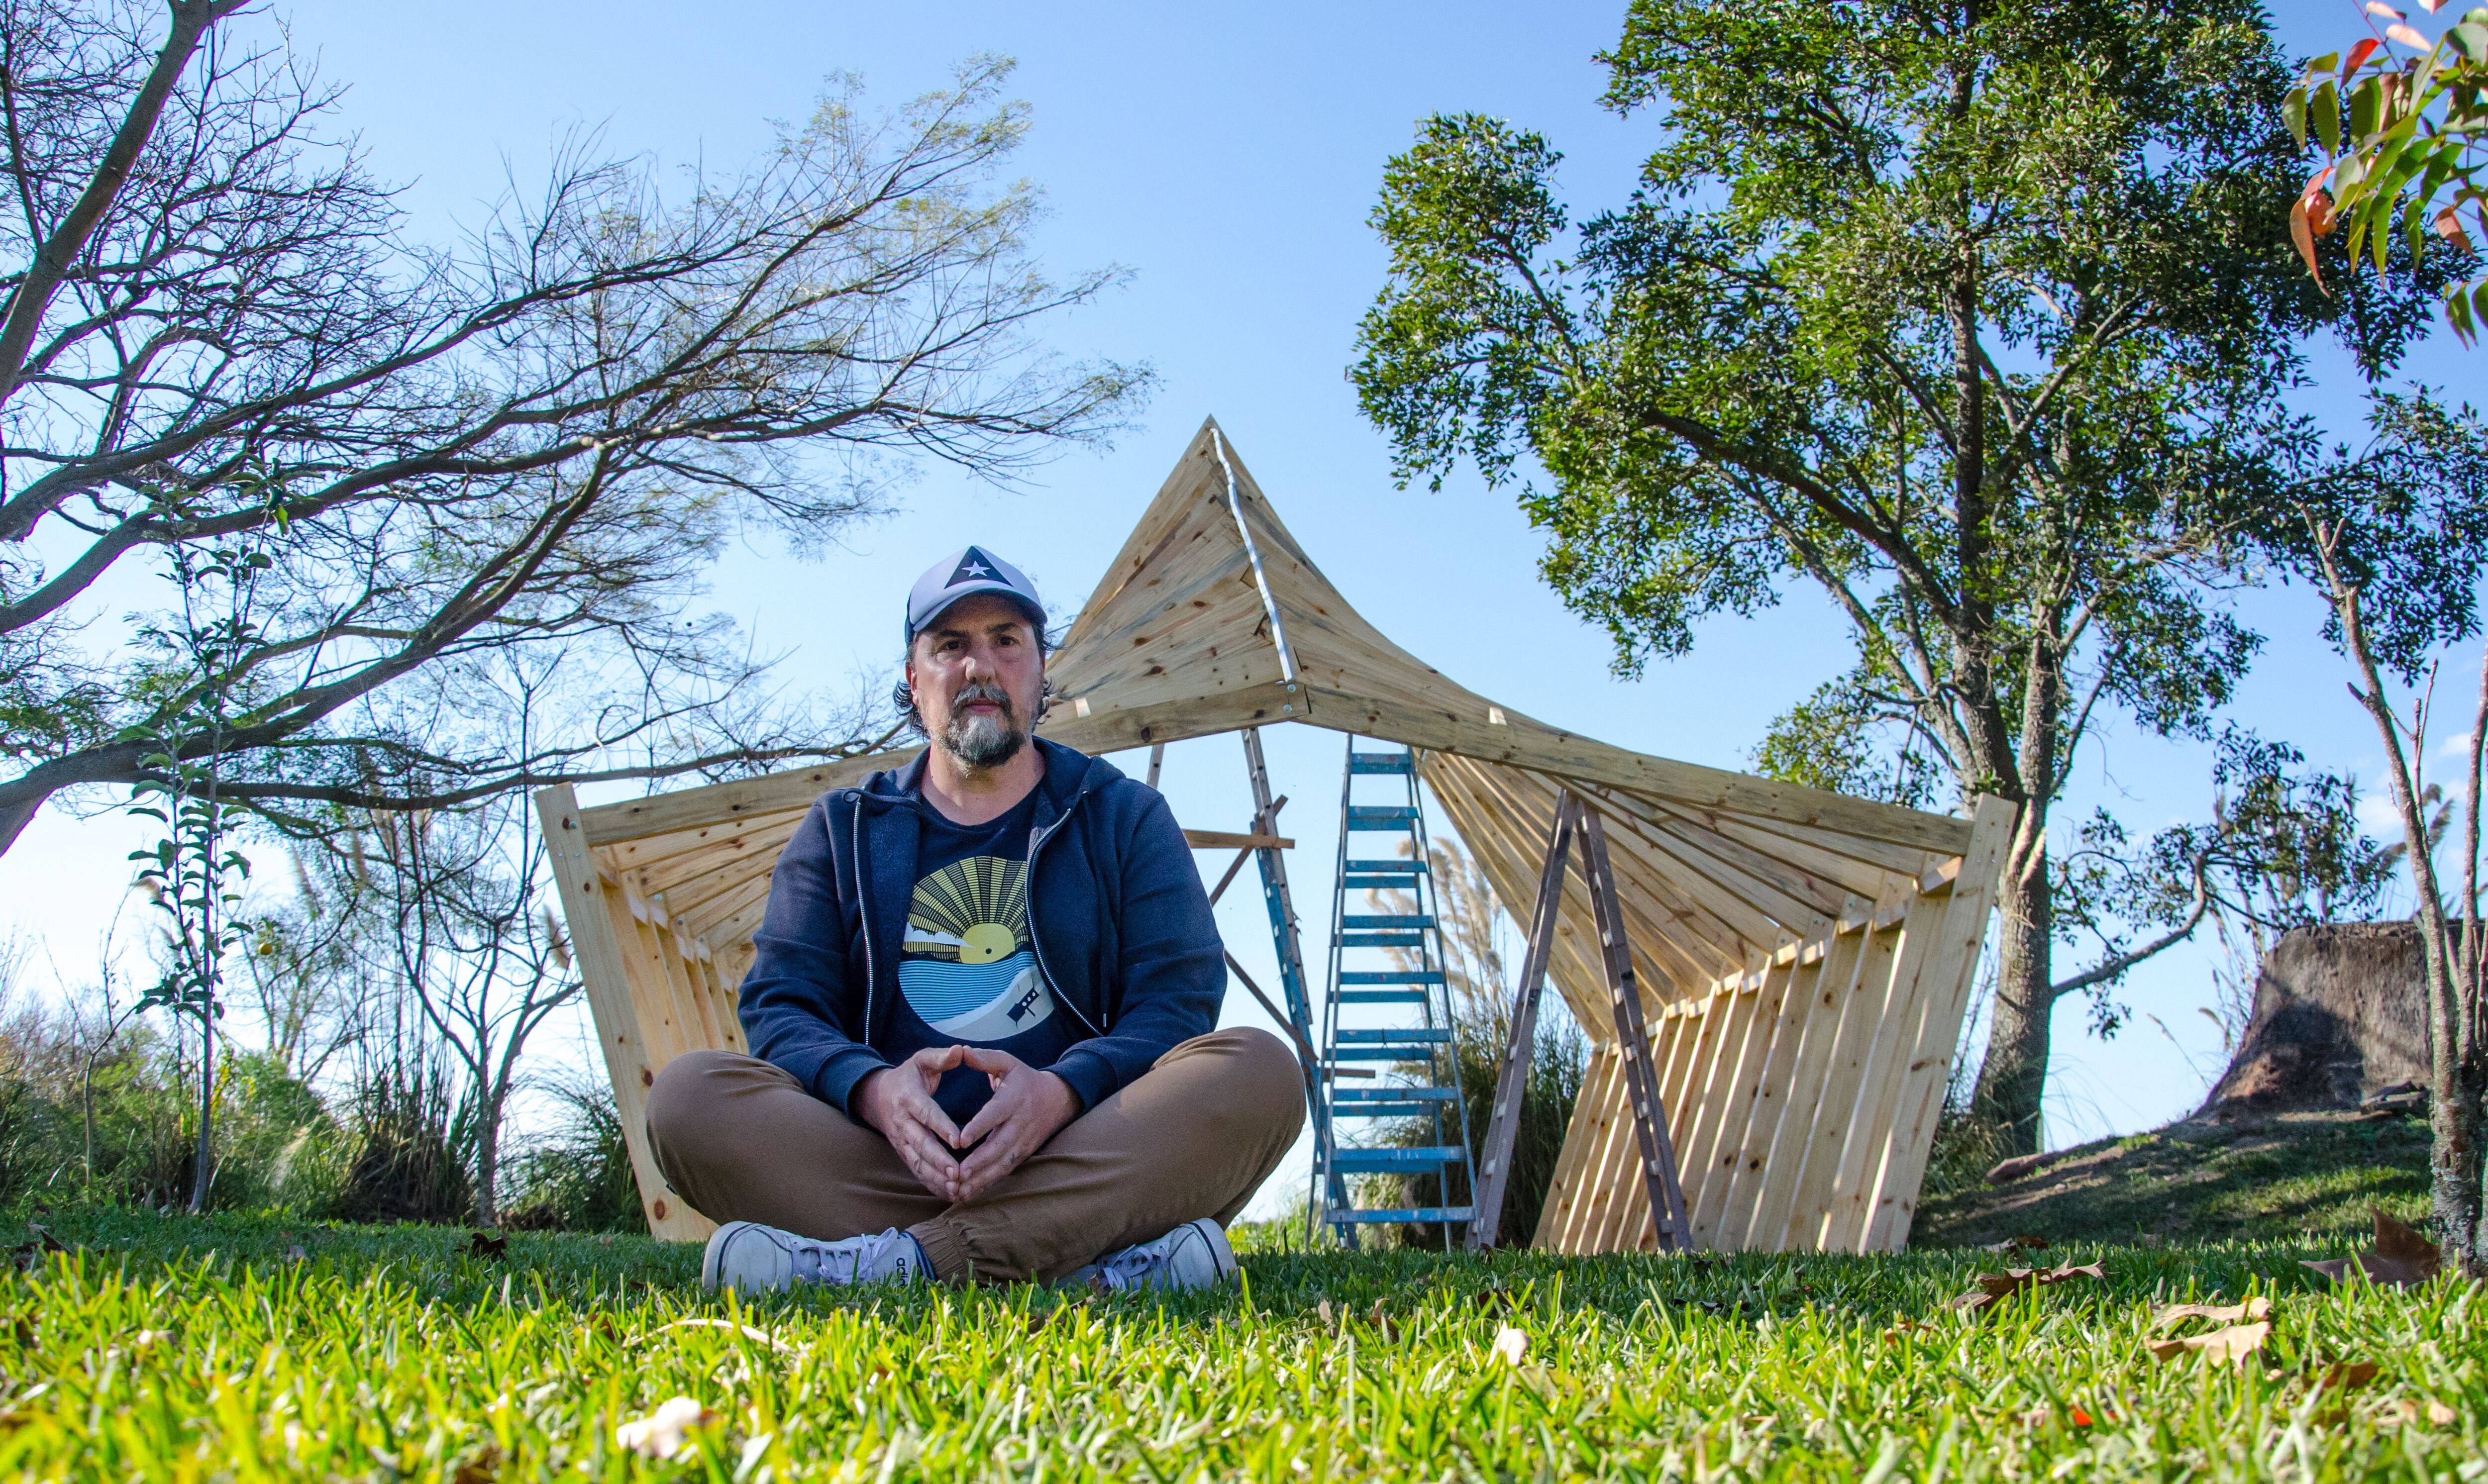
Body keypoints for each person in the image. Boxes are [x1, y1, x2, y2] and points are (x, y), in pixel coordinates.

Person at [645, 545, 1306, 1294]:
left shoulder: (1122, 815)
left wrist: (1064, 1090)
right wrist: (871, 1089)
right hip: (882, 1165)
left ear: (1040, 669)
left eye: (1005, 641)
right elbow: (782, 1004)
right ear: (914, 679)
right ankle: (1080, 1262)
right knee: (687, 1099)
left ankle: (898, 1267)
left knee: (1261, 1072)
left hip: (1080, 1150)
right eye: (950, 646)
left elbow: (1178, 998)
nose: (979, 667)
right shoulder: (843, 827)